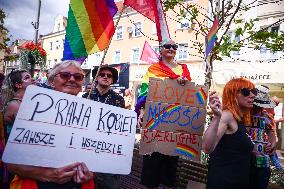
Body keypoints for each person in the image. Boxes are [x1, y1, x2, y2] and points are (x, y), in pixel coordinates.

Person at [5, 61, 95, 189]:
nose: (72, 79)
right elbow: (11, 164)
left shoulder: (92, 113)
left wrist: (91, 174)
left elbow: (99, 158)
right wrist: (48, 174)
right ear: (52, 81)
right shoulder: (33, 108)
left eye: (78, 77)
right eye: (65, 75)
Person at [135, 39, 191, 189]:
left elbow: (189, 94)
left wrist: (185, 83)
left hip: (174, 122)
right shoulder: (153, 69)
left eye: (174, 46)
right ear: (161, 50)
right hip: (155, 122)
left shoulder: (184, 70)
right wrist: (142, 111)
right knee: (151, 165)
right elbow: (145, 91)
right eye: (167, 46)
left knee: (170, 166)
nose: (171, 48)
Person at [202, 78, 255, 189]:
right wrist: (217, 117)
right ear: (233, 95)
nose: (252, 95)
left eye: (253, 91)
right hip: (224, 182)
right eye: (246, 92)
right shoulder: (227, 115)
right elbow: (207, 148)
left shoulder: (238, 119)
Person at [82, 65, 125, 189]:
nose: (105, 77)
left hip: (109, 148)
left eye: (109, 75)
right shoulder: (87, 97)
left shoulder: (119, 100)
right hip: (88, 146)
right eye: (102, 74)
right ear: (96, 78)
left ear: (112, 80)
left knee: (110, 183)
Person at [248, 85, 277, 189]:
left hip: (263, 162)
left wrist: (273, 144)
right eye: (257, 104)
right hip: (246, 162)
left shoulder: (265, 116)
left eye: (261, 104)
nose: (259, 107)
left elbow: (270, 132)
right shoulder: (243, 114)